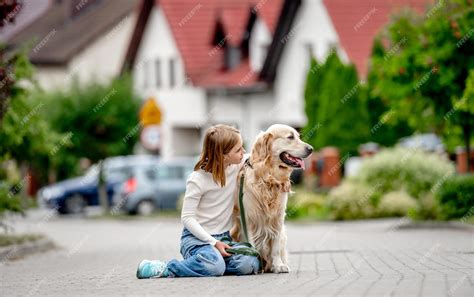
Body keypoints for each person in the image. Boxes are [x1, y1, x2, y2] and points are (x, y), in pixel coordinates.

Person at [136, 124, 260, 278]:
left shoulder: (235, 165)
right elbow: (187, 218)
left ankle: (205, 264)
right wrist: (213, 243)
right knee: (214, 267)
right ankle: (166, 268)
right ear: (222, 155)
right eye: (238, 149)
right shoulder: (197, 179)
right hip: (196, 240)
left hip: (223, 238)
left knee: (249, 262)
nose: (243, 152)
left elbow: (258, 156)